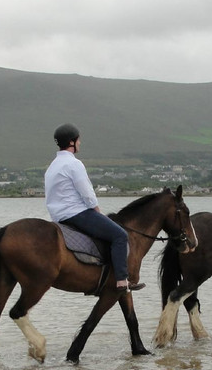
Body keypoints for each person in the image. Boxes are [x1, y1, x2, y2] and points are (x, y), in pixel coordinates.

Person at [44, 123, 144, 292]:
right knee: (120, 235)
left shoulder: (51, 167)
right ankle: (121, 280)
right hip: (78, 213)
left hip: (58, 217)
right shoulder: (74, 164)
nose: (80, 143)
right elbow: (87, 193)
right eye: (78, 140)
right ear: (72, 142)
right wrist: (97, 211)